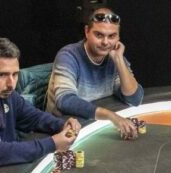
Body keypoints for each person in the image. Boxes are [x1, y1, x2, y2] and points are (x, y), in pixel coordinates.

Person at [0, 36, 81, 166]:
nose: (11, 84)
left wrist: (62, 125)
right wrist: (52, 143)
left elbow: (33, 117)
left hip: (11, 165)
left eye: (15, 74)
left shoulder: (6, 92)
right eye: (2, 75)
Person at [46, 8, 143, 139]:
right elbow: (65, 100)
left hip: (95, 124)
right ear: (87, 31)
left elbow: (134, 99)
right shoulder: (68, 55)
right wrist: (111, 116)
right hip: (64, 129)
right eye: (99, 35)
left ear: (118, 37)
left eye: (111, 36)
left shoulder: (114, 57)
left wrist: (119, 60)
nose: (105, 42)